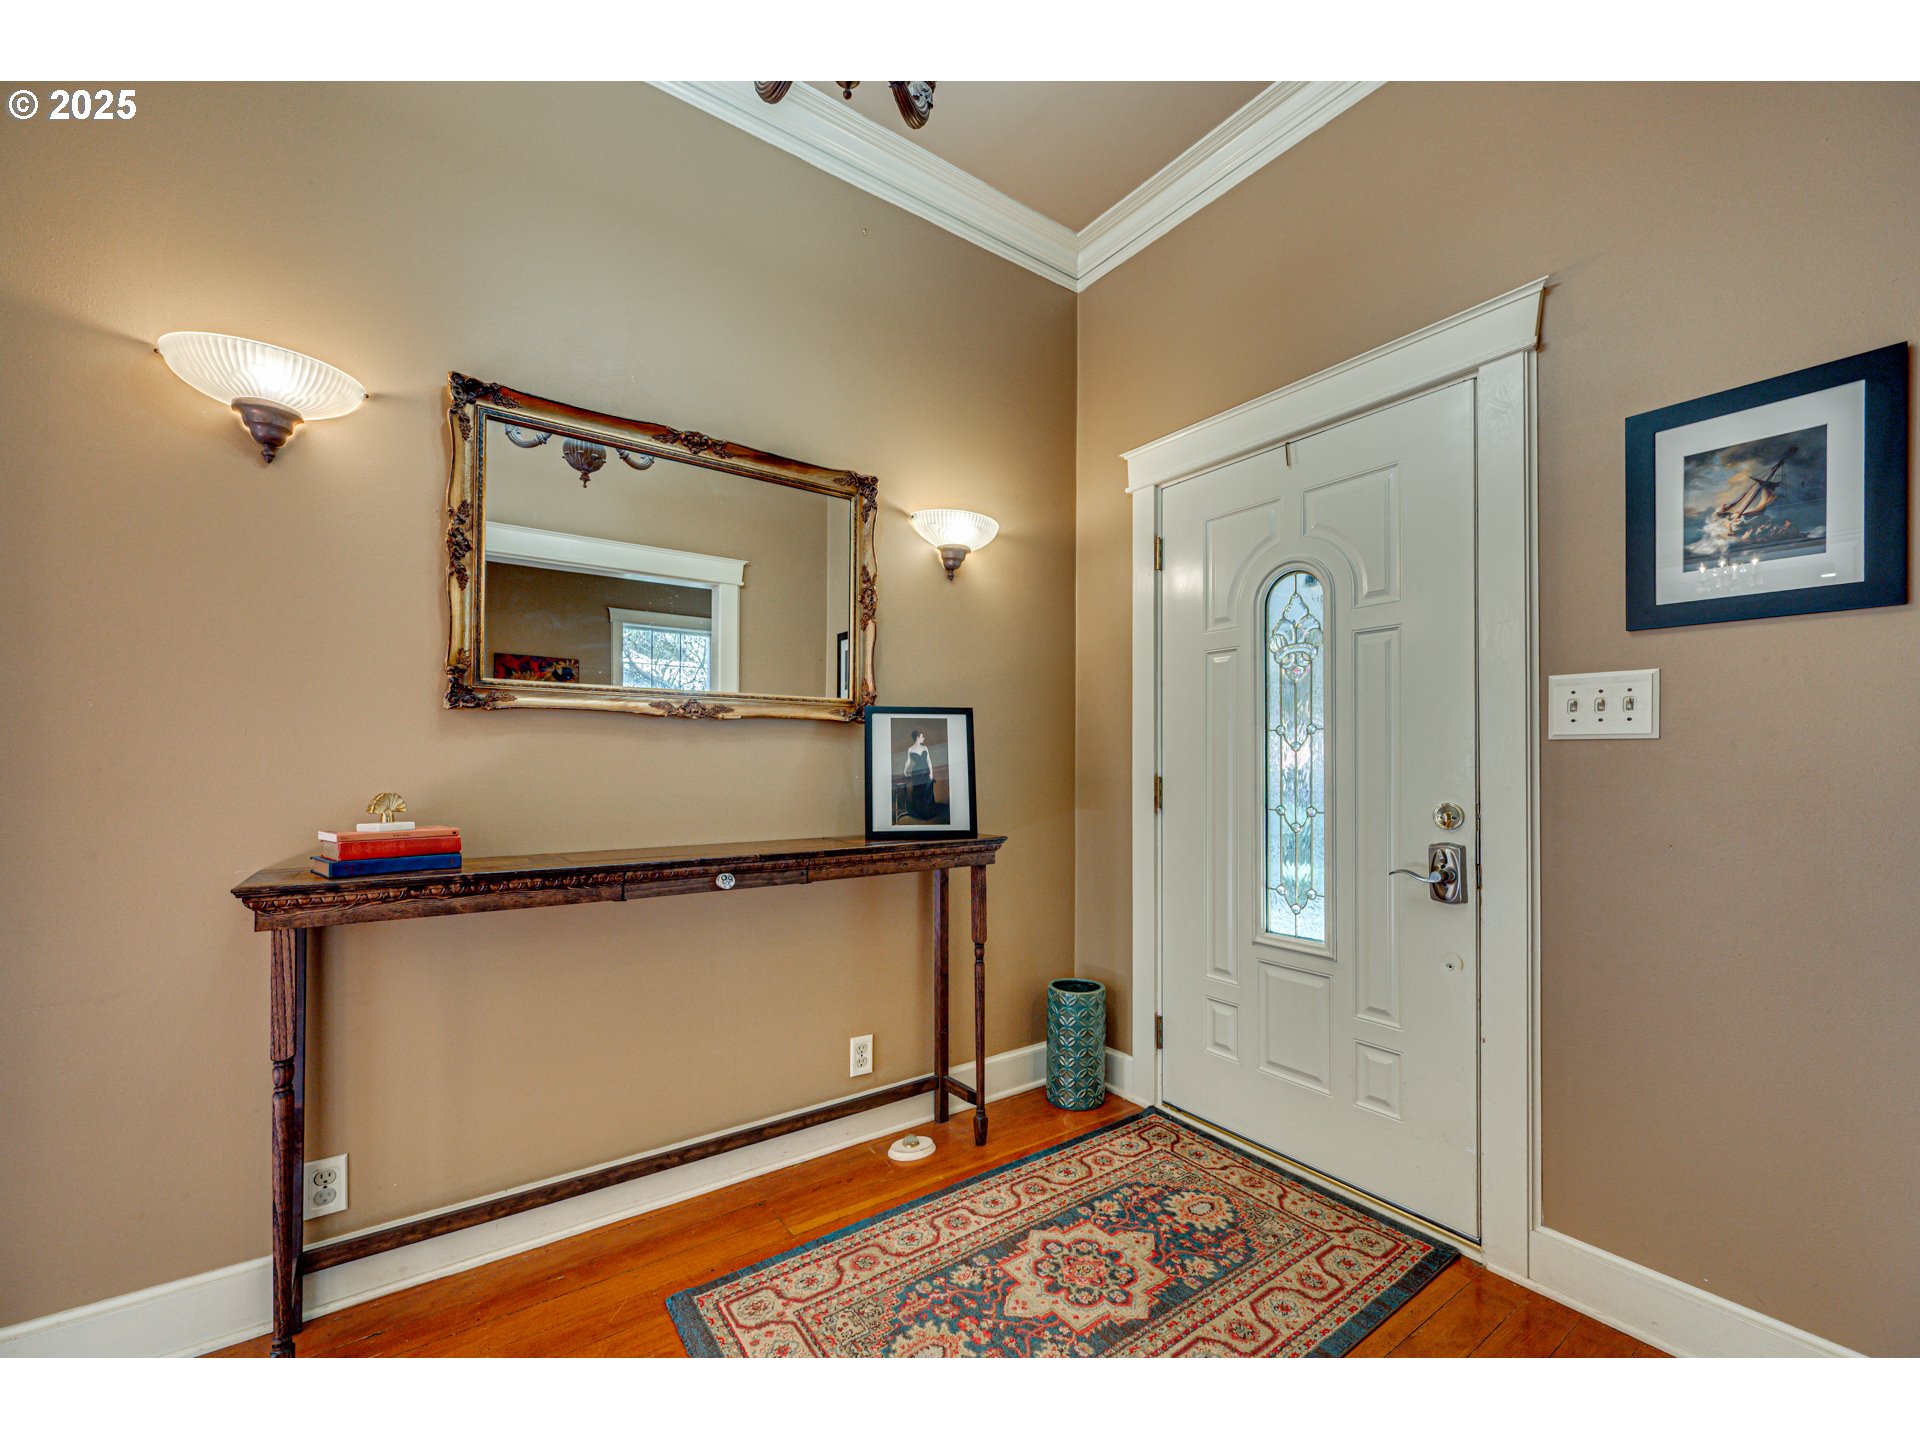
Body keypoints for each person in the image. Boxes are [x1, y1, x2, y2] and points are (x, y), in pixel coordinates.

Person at [900, 728, 939, 821]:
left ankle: (928, 811)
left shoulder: (925, 748)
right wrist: (905, 770)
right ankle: (920, 812)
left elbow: (929, 760)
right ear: (917, 737)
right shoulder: (910, 749)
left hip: (926, 772)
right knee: (918, 791)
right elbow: (908, 761)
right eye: (922, 737)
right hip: (916, 773)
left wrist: (931, 773)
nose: (923, 738)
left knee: (928, 791)